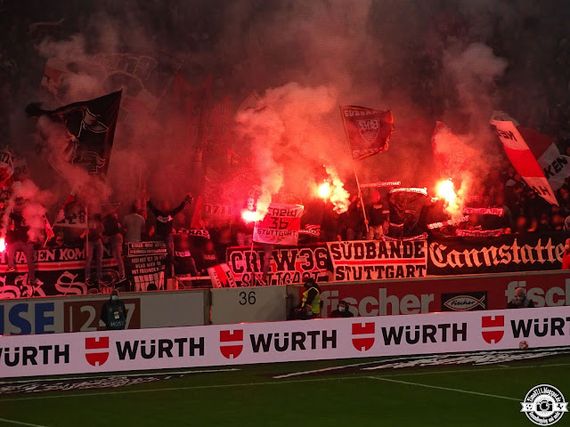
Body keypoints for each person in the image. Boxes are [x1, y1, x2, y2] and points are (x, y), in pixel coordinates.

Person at [6, 197, 36, 284]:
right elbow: (15, 217)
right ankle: (11, 266)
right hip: (19, 241)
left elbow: (17, 217)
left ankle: (32, 279)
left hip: (27, 242)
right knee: (11, 247)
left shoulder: (30, 216)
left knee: (30, 260)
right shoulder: (18, 216)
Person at [103, 208, 125, 280]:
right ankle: (122, 274)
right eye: (115, 214)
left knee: (117, 256)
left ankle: (122, 274)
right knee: (117, 256)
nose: (116, 215)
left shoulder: (107, 221)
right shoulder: (114, 221)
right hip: (116, 237)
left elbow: (108, 231)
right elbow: (120, 229)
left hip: (115, 237)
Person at [84, 214, 104, 285]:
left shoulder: (99, 223)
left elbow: (101, 231)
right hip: (89, 241)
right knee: (89, 259)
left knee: (99, 259)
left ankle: (99, 278)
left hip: (97, 240)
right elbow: (84, 233)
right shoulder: (87, 222)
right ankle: (87, 278)